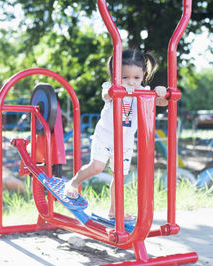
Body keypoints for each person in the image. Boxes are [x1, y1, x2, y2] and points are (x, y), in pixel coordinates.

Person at [64, 49, 168, 221]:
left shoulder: (143, 91)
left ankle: (114, 210)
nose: (131, 82)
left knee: (119, 176)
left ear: (143, 75)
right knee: (97, 166)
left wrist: (161, 92)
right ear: (115, 75)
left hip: (125, 141)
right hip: (106, 136)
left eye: (136, 78)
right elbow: (107, 94)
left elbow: (161, 102)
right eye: (125, 77)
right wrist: (118, 89)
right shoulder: (111, 88)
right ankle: (73, 182)